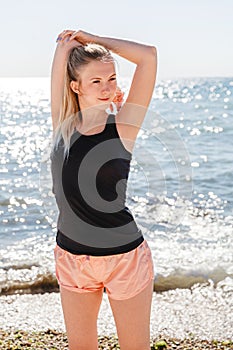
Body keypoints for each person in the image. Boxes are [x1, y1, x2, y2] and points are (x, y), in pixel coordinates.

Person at [50, 29, 157, 350]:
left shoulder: (124, 128)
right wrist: (68, 45)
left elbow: (148, 56)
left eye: (111, 78)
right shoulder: (62, 126)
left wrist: (92, 38)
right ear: (75, 86)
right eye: (95, 81)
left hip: (123, 258)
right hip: (71, 258)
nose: (107, 87)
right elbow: (62, 51)